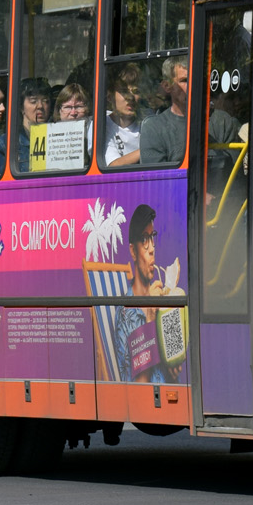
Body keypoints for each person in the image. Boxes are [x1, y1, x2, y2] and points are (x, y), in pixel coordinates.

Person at [112, 204, 184, 383]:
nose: (152, 248)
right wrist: (150, 318)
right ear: (132, 251)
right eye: (144, 240)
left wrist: (174, 365)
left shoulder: (161, 298)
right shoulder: (125, 313)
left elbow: (173, 367)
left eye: (152, 238)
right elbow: (138, 388)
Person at [103, 65, 143, 166]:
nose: (130, 98)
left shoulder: (147, 122)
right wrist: (151, 149)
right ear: (109, 96)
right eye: (124, 91)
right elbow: (113, 165)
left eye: (135, 91)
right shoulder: (102, 124)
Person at [12, 77, 52, 174]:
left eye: (45, 101)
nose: (40, 106)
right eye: (33, 101)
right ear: (21, 107)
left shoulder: (57, 139)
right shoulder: (6, 145)